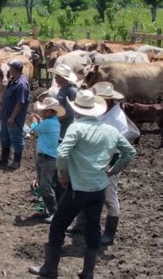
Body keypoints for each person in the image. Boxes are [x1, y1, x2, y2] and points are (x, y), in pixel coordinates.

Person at [29, 90, 136, 279]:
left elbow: (62, 154)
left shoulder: (76, 128)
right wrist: (113, 170)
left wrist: (62, 175)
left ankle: (50, 269)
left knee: (58, 226)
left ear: (77, 110)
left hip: (78, 188)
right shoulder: (110, 130)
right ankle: (88, 272)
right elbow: (129, 152)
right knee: (93, 228)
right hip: (99, 188)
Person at [92, 82, 137, 245]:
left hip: (112, 159)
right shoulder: (105, 111)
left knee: (110, 195)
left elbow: (109, 142)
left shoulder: (115, 117)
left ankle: (109, 233)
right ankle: (82, 224)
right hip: (101, 157)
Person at [29, 97, 64, 223]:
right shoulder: (51, 122)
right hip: (45, 157)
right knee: (44, 183)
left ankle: (53, 211)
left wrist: (34, 121)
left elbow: (34, 130)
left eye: (44, 111)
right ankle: (47, 210)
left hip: (47, 158)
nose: (41, 113)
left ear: (50, 112)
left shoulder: (49, 123)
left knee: (45, 185)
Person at [0, 60, 30, 170]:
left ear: (14, 69)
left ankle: (17, 161)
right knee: (4, 136)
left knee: (16, 138)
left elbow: (20, 102)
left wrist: (12, 117)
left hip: (15, 117)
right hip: (6, 115)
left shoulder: (22, 84)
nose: (9, 70)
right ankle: (4, 159)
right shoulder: (13, 81)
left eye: (10, 68)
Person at [48, 64, 78, 139]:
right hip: (60, 122)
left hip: (67, 124)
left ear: (62, 78)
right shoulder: (62, 89)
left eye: (57, 76)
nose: (54, 78)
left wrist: (54, 120)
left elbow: (69, 112)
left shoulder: (71, 91)